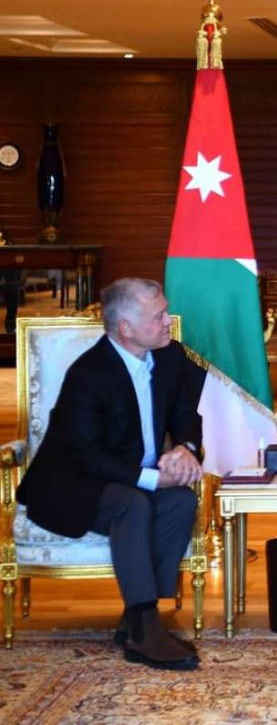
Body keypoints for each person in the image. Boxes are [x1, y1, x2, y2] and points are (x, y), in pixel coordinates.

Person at [17, 277, 205, 670]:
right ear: (126, 329)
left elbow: (187, 413)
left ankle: (137, 621)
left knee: (180, 502)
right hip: (72, 483)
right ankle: (144, 629)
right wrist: (153, 478)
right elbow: (87, 456)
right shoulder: (89, 374)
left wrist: (185, 450)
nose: (168, 321)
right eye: (158, 316)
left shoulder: (170, 357)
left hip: (129, 477)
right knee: (132, 504)